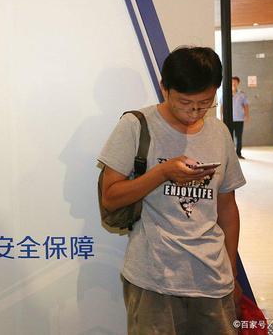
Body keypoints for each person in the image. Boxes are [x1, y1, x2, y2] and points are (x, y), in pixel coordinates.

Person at [98, 46, 245, 334]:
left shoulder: (219, 133)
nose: (194, 112)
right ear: (164, 88)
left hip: (212, 278)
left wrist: (231, 268)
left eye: (205, 103)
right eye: (185, 102)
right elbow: (111, 197)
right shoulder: (135, 126)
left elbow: (227, 207)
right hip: (153, 279)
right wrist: (162, 173)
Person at [230, 76, 249, 159]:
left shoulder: (242, 94)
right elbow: (222, 106)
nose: (233, 83)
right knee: (229, 138)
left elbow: (246, 106)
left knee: (239, 137)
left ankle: (238, 153)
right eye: (232, 82)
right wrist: (222, 116)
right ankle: (230, 155)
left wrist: (246, 115)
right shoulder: (226, 92)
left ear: (238, 83)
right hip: (229, 118)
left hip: (239, 119)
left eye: (235, 82)